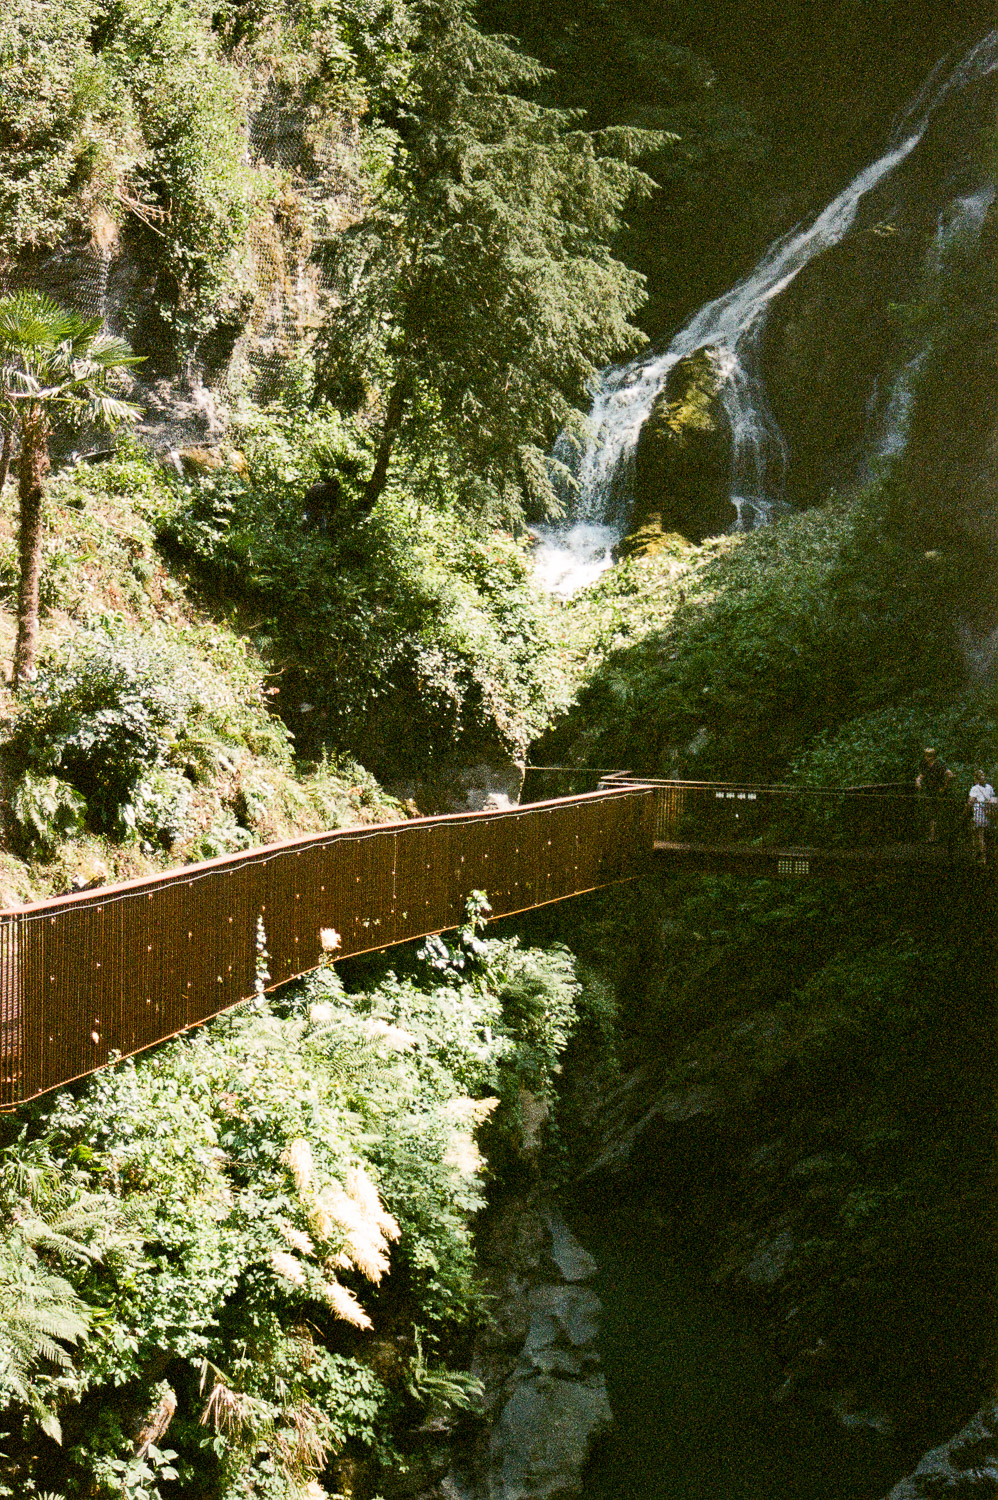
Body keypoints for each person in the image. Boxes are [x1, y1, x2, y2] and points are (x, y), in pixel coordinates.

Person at [915, 747, 954, 843]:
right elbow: (921, 776)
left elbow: (950, 775)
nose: (926, 757)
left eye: (928, 756)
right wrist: (918, 782)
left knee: (938, 813)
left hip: (939, 792)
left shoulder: (939, 764)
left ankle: (940, 835)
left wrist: (944, 786)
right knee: (930, 813)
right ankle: (931, 836)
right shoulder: (925, 765)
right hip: (929, 791)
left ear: (932, 756)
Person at [966, 769, 996, 865]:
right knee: (983, 835)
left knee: (979, 836)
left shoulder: (975, 788)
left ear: (975, 778)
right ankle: (983, 855)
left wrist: (964, 813)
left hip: (979, 815)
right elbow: (992, 799)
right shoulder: (989, 787)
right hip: (988, 815)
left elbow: (970, 802)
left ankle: (982, 857)